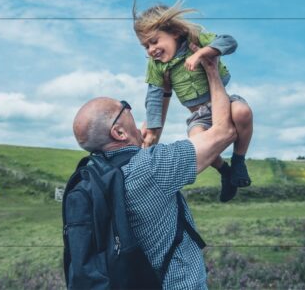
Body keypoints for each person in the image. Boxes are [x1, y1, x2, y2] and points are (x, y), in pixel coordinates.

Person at [72, 46, 237, 289]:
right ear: (118, 132)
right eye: (124, 107)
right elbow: (224, 132)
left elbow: (147, 139)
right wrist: (212, 69)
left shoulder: (98, 174)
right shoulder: (152, 167)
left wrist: (165, 91)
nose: (130, 110)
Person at [132, 0, 253, 201]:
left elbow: (229, 41)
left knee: (243, 111)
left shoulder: (195, 42)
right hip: (199, 115)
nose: (151, 49)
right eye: (146, 46)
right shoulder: (157, 66)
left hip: (224, 102)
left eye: (154, 41)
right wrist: (152, 130)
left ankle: (239, 161)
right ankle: (225, 171)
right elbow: (154, 96)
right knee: (197, 143)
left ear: (175, 32)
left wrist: (203, 53)